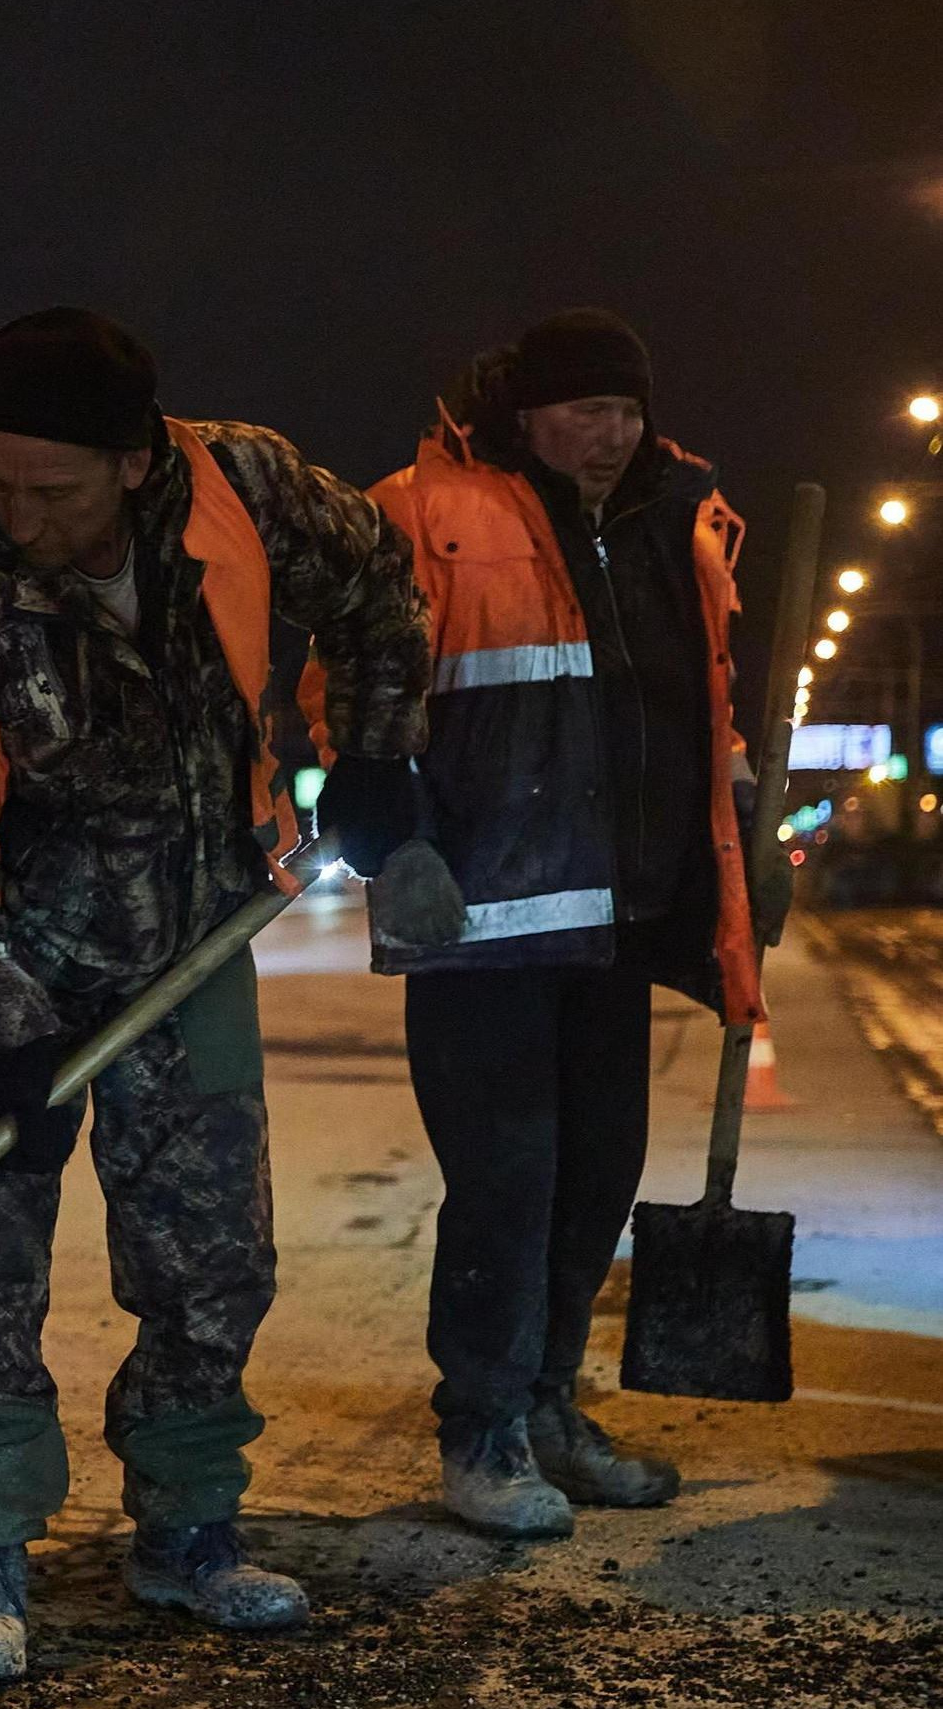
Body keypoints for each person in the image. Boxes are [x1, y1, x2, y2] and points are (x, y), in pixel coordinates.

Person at [0, 308, 432, 1683]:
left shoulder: (241, 491)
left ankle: (186, 1531)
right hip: (4, 960)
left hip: (195, 938)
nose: (16, 514)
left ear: (128, 461)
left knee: (207, 1256)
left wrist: (375, 754)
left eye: (47, 490)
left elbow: (376, 590)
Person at [346, 308, 789, 1539]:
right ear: (522, 412)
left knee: (595, 1172)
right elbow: (353, 693)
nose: (605, 435)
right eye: (580, 410)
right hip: (484, 915)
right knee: (505, 1180)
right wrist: (396, 842)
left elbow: (688, 689)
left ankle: (548, 1406)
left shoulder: (673, 521)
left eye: (624, 411)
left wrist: (740, 804)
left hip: (620, 914)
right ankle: (481, 1429)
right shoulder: (422, 512)